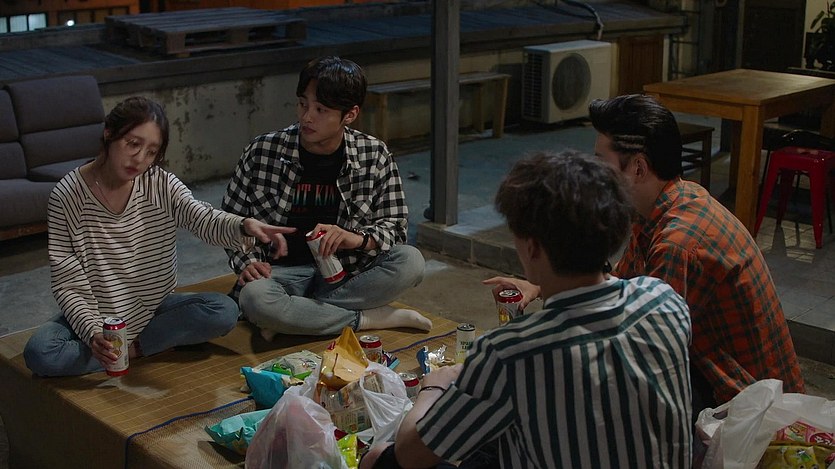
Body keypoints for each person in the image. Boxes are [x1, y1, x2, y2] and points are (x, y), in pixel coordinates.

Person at [363, 151, 693, 469]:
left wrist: (434, 387)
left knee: (380, 457)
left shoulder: (511, 352)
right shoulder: (664, 302)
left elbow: (410, 454)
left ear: (532, 247)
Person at [485, 94, 805, 416]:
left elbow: (636, 344)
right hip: (715, 376)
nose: (594, 174)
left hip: (752, 408)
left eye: (601, 162)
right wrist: (541, 286)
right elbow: (618, 284)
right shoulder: (667, 202)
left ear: (638, 167)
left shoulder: (678, 243)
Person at [23, 96, 294, 377]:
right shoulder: (67, 196)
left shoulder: (160, 184)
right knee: (41, 352)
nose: (140, 159)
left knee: (223, 310)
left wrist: (243, 225)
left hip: (151, 307)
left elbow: (201, 217)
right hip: (97, 312)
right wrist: (92, 333)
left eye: (151, 152)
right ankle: (138, 346)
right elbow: (68, 281)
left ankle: (131, 351)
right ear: (109, 133)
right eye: (133, 144)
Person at [221, 56, 430, 340]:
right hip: (281, 275)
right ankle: (368, 318)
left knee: (411, 262)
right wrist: (248, 263)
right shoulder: (263, 151)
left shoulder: (374, 154)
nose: (307, 117)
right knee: (254, 297)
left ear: (350, 115)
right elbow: (231, 220)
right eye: (303, 104)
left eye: (321, 109)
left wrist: (354, 238)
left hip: (348, 274)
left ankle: (297, 316)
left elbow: (395, 228)